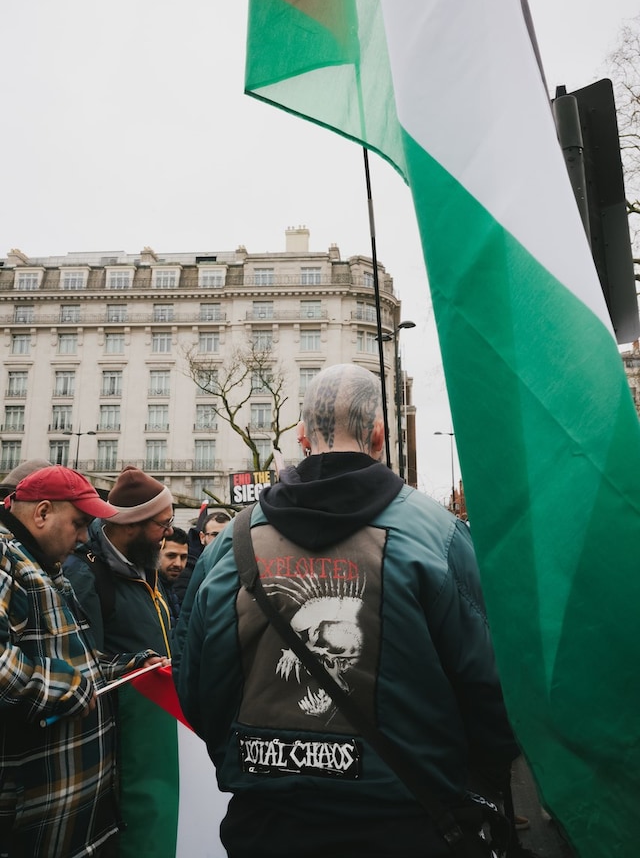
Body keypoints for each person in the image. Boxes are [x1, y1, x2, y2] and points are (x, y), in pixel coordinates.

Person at [174, 364, 519, 858]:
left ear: (301, 437)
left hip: (267, 827)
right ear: (379, 435)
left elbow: (195, 682)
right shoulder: (437, 536)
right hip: (409, 825)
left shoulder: (230, 545)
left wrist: (249, 761)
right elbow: (489, 686)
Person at [0, 465, 163, 858]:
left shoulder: (44, 566)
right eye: (78, 523)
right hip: (31, 822)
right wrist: (66, 687)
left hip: (68, 820)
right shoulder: (5, 561)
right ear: (41, 513)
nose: (83, 538)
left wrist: (125, 668)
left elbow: (79, 663)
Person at [64, 466, 175, 858]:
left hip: (155, 725)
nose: (171, 531)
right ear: (133, 525)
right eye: (164, 523)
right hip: (118, 736)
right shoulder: (85, 572)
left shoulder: (143, 562)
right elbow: (85, 662)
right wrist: (139, 666)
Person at [172, 510, 231, 606]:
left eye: (226, 535)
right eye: (215, 535)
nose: (222, 540)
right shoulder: (187, 569)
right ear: (202, 537)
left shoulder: (240, 565)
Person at [157, 527, 188, 627]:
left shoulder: (169, 587)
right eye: (171, 556)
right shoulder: (149, 591)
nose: (178, 564)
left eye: (183, 557)